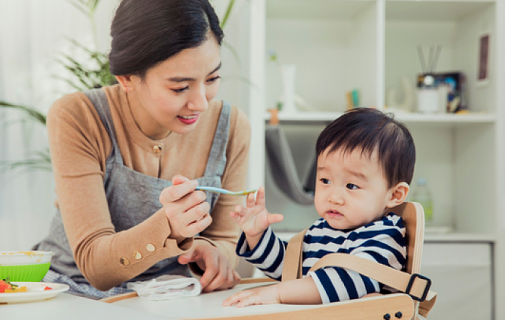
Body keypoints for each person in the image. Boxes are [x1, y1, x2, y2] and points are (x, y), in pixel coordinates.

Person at [35, 0, 250, 299]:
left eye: (212, 79)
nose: (201, 102)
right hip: (69, 292)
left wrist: (214, 255)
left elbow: (226, 240)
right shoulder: (78, 116)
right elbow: (96, 267)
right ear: (127, 78)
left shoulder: (232, 127)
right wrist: (169, 226)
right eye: (179, 87)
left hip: (167, 296)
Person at [223, 108, 415, 307]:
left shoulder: (384, 237)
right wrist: (257, 236)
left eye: (351, 186)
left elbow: (343, 282)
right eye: (325, 180)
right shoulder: (322, 229)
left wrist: (277, 293)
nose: (333, 197)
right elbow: (288, 271)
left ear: (394, 195)